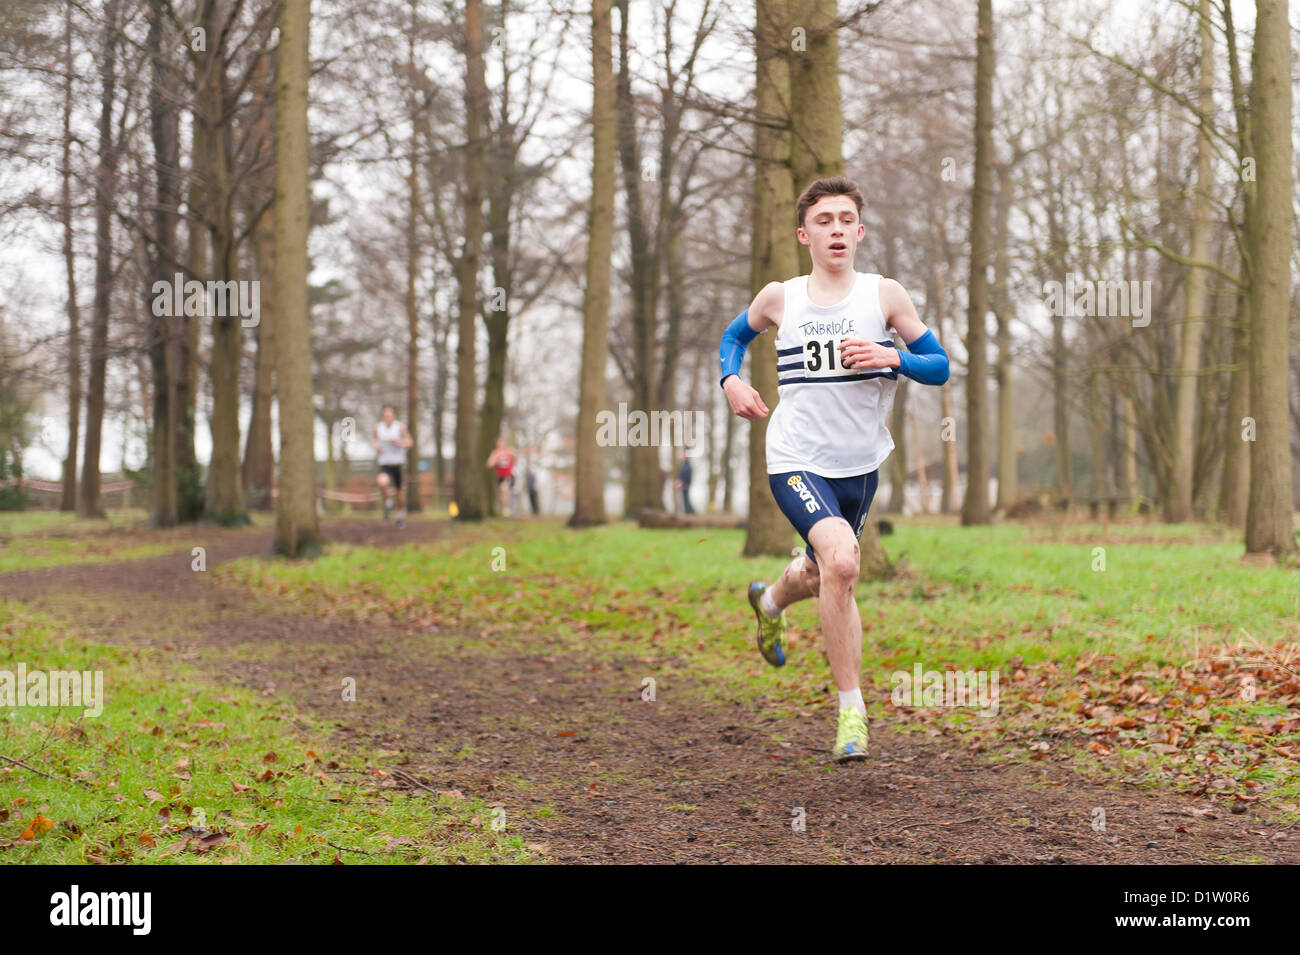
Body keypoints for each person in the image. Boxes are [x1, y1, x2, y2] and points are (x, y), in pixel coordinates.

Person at [719, 176, 950, 763]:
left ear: (861, 232)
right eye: (825, 221)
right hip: (795, 458)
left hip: (860, 465)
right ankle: (852, 713)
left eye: (847, 219)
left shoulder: (885, 296)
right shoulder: (782, 297)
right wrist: (732, 380)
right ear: (805, 235)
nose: (837, 229)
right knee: (843, 562)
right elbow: (733, 336)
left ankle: (770, 603)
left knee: (824, 572)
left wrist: (892, 356)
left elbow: (940, 366)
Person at [372, 405, 413, 528]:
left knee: (399, 493)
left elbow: (410, 442)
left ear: (393, 416)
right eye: (385, 415)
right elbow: (373, 439)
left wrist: (400, 443)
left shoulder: (399, 427)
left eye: (390, 415)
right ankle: (387, 503)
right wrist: (376, 446)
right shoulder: (378, 427)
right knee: (382, 482)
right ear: (383, 416)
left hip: (398, 463)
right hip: (384, 463)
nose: (388, 417)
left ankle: (400, 517)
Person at [485, 437, 516, 517]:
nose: (501, 444)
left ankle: (506, 509)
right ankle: (503, 508)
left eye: (503, 442)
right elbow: (489, 464)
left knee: (504, 489)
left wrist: (514, 455)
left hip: (508, 475)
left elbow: (515, 460)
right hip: (499, 476)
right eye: (500, 442)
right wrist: (495, 458)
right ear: (497, 443)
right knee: (502, 493)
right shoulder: (495, 452)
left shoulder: (509, 452)